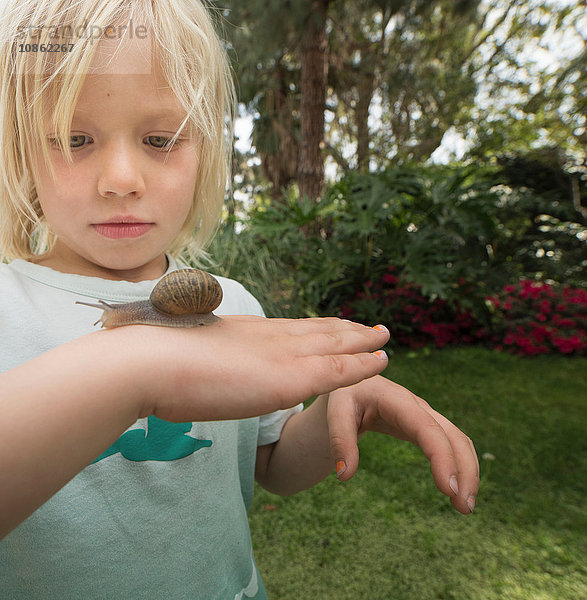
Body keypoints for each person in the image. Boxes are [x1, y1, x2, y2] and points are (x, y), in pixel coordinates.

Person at [0, 1, 479, 597]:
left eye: (159, 138)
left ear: (204, 151)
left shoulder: (232, 310)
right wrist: (134, 369)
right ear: (22, 151)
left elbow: (270, 464)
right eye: (74, 138)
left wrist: (337, 410)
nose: (121, 177)